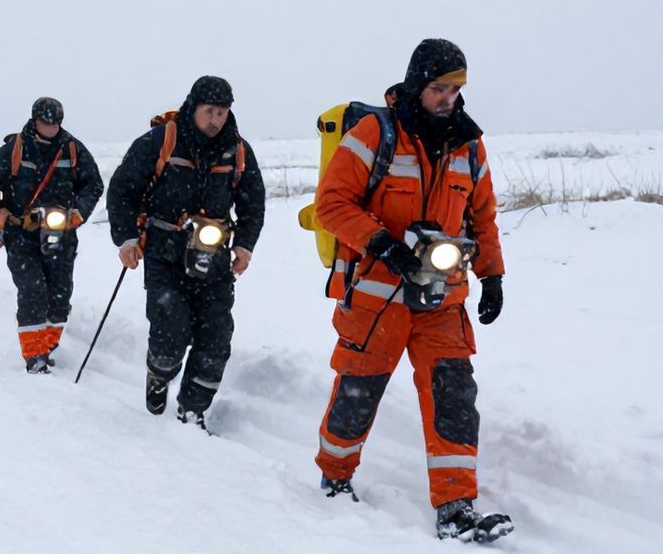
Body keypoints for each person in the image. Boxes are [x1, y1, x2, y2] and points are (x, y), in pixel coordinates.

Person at [311, 39, 511, 542]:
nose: (448, 98)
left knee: (454, 395)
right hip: (379, 294)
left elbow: (482, 214)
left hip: (443, 296)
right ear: (418, 84)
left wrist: (492, 276)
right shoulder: (373, 133)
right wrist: (382, 242)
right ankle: (334, 476)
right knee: (358, 391)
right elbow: (331, 205)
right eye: (439, 87)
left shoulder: (469, 144)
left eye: (456, 89)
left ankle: (456, 506)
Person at [106, 76, 265, 428]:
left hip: (215, 259)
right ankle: (159, 374)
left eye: (222, 112)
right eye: (210, 111)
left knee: (216, 337)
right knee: (171, 330)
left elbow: (253, 203)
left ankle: (192, 412)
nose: (216, 120)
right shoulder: (162, 140)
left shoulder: (237, 150)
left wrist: (244, 245)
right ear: (194, 107)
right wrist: (127, 240)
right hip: (165, 254)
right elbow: (122, 190)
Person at [0, 97, 104, 373]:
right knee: (33, 290)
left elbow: (93, 184)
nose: (51, 127)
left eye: (56, 122)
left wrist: (78, 213)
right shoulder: (15, 149)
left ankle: (47, 346)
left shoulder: (72, 149)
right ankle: (34, 356)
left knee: (60, 296)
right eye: (46, 122)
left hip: (62, 235)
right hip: (22, 235)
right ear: (35, 121)